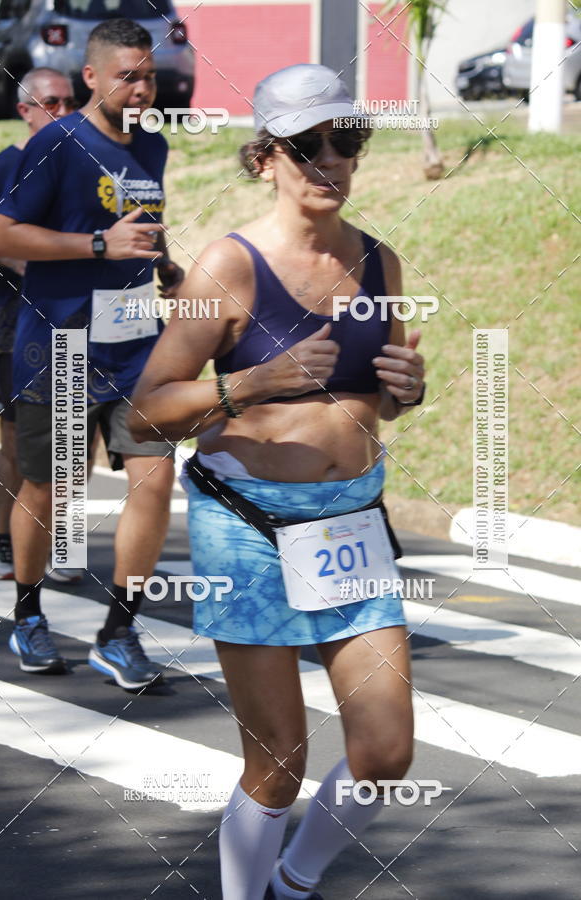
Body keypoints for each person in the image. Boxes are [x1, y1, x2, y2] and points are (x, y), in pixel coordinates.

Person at [129, 64, 426, 899]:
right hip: (249, 525)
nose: (331, 160)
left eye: (349, 141)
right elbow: (144, 411)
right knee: (278, 762)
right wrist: (248, 384)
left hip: (350, 524)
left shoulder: (379, 262)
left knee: (384, 753)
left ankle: (294, 884)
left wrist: (410, 388)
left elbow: (384, 398)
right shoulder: (228, 266)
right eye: (308, 145)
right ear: (266, 157)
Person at [0, 18, 184, 689]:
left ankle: (119, 629)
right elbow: (2, 236)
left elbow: (147, 230)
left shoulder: (153, 148)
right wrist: (97, 247)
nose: (141, 88)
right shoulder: (57, 144)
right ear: (92, 78)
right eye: (127, 75)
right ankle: (28, 614)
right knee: (49, 487)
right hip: (63, 344)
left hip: (138, 348)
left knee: (155, 479)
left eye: (149, 75)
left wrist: (170, 271)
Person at [0, 67, 78, 580]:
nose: (64, 111)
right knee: (18, 444)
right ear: (25, 110)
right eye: (52, 103)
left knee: (71, 444)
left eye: (69, 102)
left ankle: (62, 540)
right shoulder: (7, 166)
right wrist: (17, 259)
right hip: (19, 334)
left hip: (79, 328)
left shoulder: (86, 162)